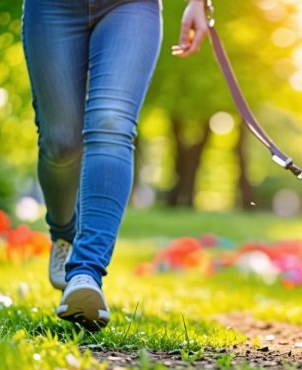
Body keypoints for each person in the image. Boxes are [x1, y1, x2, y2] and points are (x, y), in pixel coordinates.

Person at [22, 0, 209, 331]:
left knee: (111, 122)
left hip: (131, 6)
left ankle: (85, 272)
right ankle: (64, 234)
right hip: (52, 8)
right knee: (60, 142)